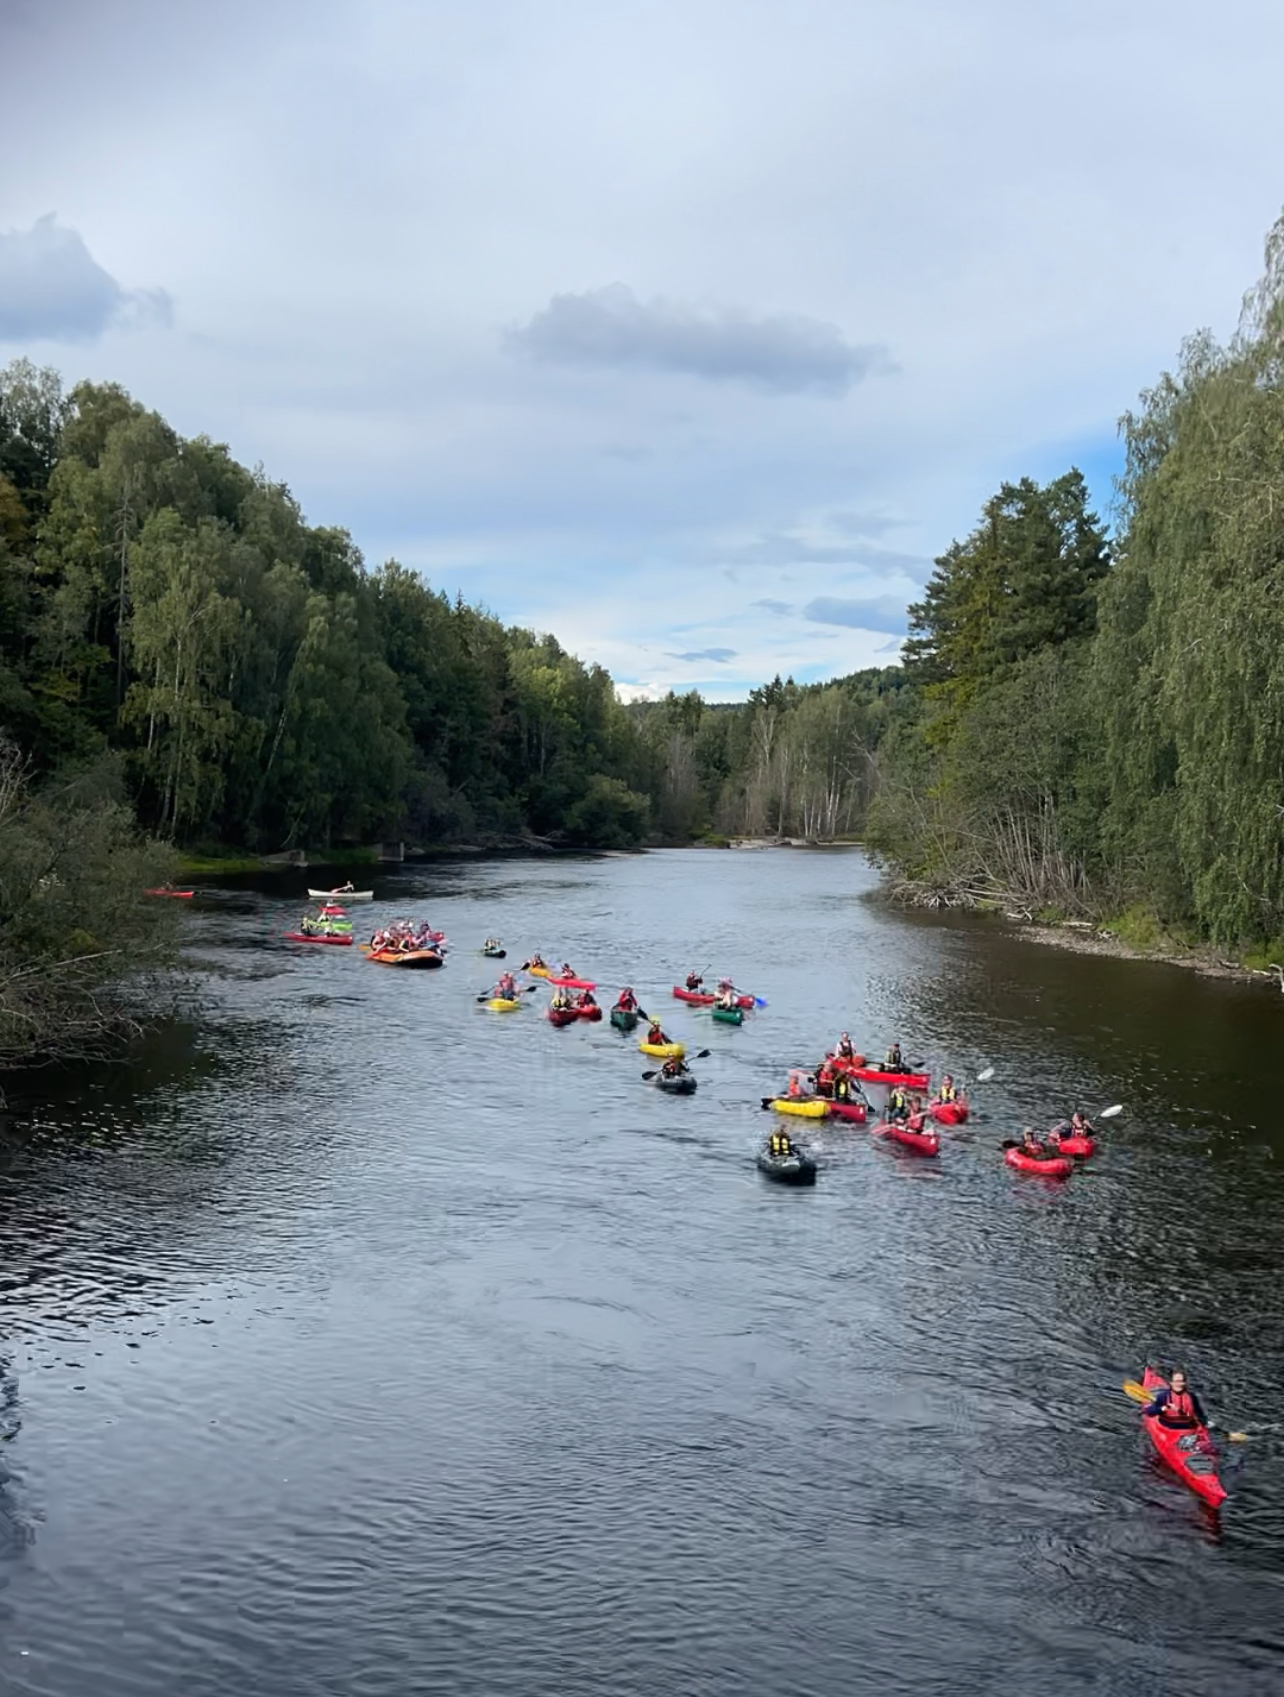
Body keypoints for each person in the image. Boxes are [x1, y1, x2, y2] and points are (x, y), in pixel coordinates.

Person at [1143, 1369, 1208, 1431]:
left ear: (1184, 1383)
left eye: (1181, 1381)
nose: (1178, 1384)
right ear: (1171, 1383)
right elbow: (1149, 1412)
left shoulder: (1192, 1397)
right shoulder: (1163, 1396)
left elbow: (1200, 1414)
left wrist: (1204, 1422)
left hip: (1190, 1430)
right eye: (1176, 1381)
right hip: (1168, 1430)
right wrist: (1163, 1408)